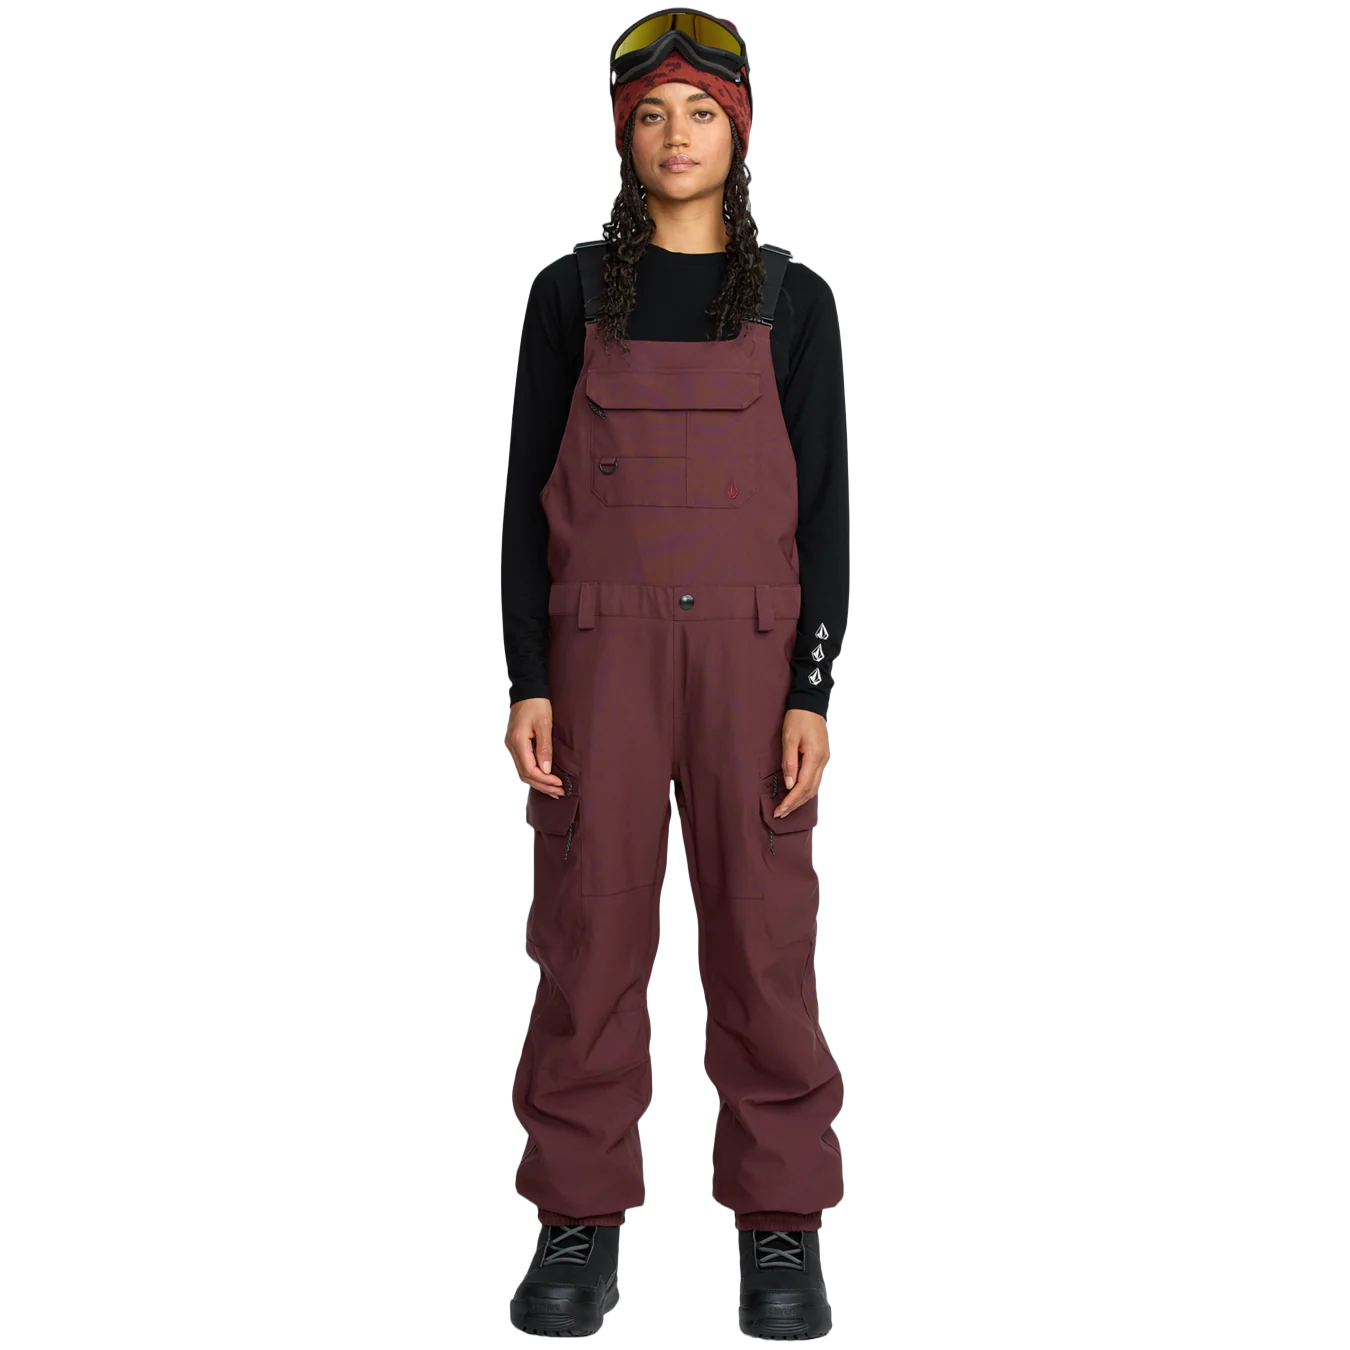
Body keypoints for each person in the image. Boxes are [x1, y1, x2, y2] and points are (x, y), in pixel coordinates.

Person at [501, 12, 849, 1340]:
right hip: (599, 660)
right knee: (586, 940)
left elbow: (827, 513)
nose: (676, 135)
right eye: (650, 113)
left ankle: (780, 1231)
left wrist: (813, 687)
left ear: (738, 132)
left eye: (701, 111)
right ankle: (575, 1222)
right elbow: (520, 506)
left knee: (763, 944)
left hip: (754, 662)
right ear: (620, 135)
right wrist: (526, 674)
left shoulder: (795, 302)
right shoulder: (567, 296)